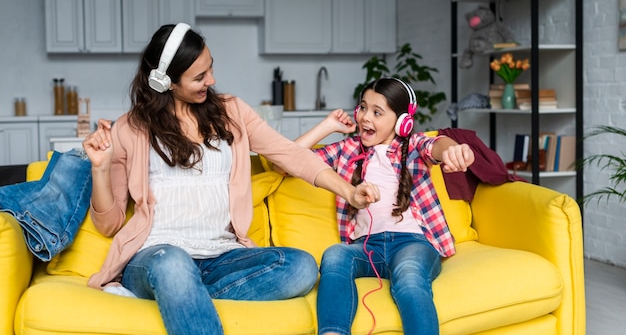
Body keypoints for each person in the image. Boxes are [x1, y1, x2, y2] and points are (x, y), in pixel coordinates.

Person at [81, 22, 380, 335]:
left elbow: (290, 154)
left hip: (223, 258)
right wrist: (100, 168)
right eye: (199, 77)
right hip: (157, 256)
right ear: (166, 82)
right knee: (173, 265)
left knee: (301, 267)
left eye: (210, 69)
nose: (211, 81)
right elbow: (108, 223)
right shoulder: (130, 128)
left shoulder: (232, 111)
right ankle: (175, 288)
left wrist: (348, 191)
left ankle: (181, 296)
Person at [292, 77, 475, 335]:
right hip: (367, 248)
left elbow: (438, 145)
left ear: (402, 122)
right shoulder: (347, 149)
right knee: (334, 255)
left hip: (413, 243)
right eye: (363, 108)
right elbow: (287, 160)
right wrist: (327, 126)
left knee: (409, 278)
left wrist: (453, 151)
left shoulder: (412, 146)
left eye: (377, 112)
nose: (366, 117)